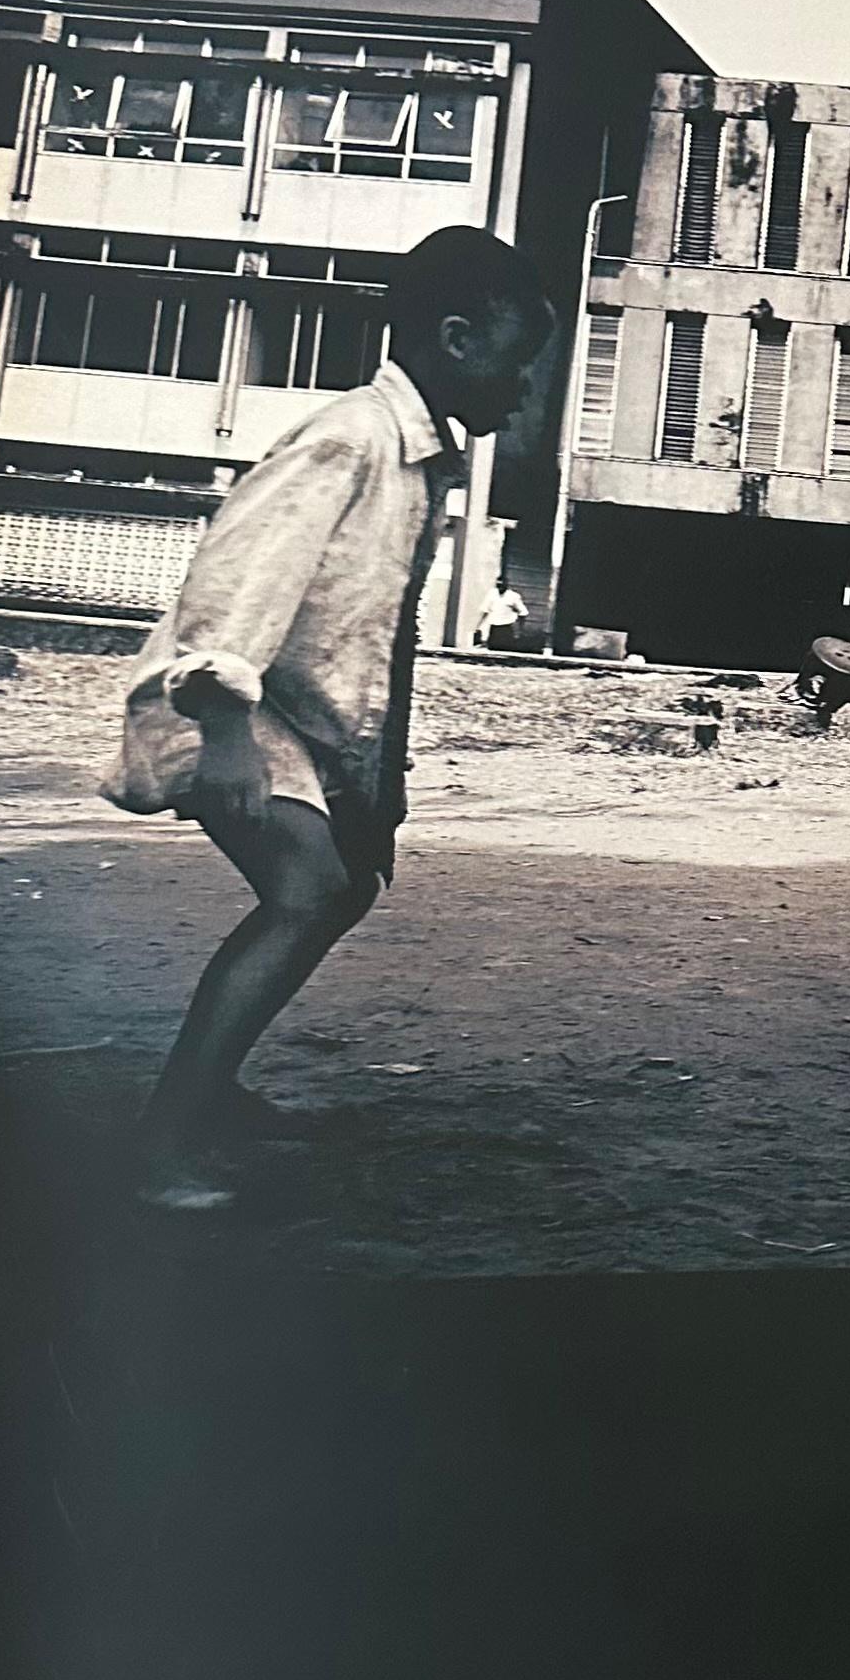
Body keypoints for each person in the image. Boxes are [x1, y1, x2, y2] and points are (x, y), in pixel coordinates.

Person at [103, 225, 556, 1211]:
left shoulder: (417, 454)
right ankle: (163, 1144)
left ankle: (211, 1090)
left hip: (299, 721)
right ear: (457, 339)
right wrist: (224, 734)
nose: (524, 392)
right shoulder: (349, 439)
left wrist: (371, 784)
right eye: (519, 363)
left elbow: (365, 638)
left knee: (345, 882)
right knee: (307, 890)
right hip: (222, 698)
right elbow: (235, 592)